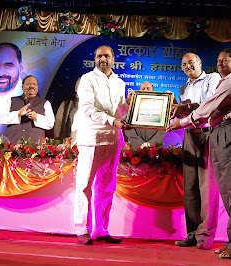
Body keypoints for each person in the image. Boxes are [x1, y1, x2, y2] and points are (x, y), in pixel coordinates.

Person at [167, 48, 231, 259]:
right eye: (218, 60)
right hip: (223, 131)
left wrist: (182, 121)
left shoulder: (230, 82)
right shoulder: (225, 82)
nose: (220, 63)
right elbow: (208, 108)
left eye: (225, 60)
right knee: (228, 190)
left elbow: (207, 108)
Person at [74, 45, 132, 245]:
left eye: (107, 56)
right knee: (85, 185)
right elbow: (88, 108)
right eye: (99, 56)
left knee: (107, 187)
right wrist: (112, 120)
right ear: (95, 59)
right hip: (92, 138)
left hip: (113, 139)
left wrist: (130, 106)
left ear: (113, 58)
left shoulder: (119, 82)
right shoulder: (87, 80)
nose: (103, 59)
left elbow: (120, 109)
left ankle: (101, 229)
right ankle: (82, 228)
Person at [170, 53, 221, 250]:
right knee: (190, 188)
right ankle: (192, 234)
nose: (188, 66)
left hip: (208, 135)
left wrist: (185, 107)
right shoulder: (183, 88)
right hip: (190, 136)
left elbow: (208, 106)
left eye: (191, 62)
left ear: (200, 63)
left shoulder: (213, 78)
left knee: (207, 188)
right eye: (184, 64)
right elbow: (184, 113)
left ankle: (205, 236)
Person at [0, 75, 54, 144]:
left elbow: (50, 123)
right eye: (28, 84)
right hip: (12, 143)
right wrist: (18, 114)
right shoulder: (11, 100)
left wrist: (36, 117)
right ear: (22, 87)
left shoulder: (45, 103)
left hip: (35, 146)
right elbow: (1, 118)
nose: (32, 86)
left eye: (34, 84)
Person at [125, 81, 166, 149]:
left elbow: (163, 129)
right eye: (143, 88)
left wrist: (151, 143)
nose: (145, 90)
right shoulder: (132, 107)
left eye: (148, 88)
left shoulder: (161, 107)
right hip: (136, 147)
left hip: (156, 148)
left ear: (153, 91)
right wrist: (140, 144)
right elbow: (128, 129)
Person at [54, 77, 80, 145]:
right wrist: (57, 137)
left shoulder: (94, 104)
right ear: (76, 88)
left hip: (87, 141)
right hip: (69, 140)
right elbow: (58, 121)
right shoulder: (67, 103)